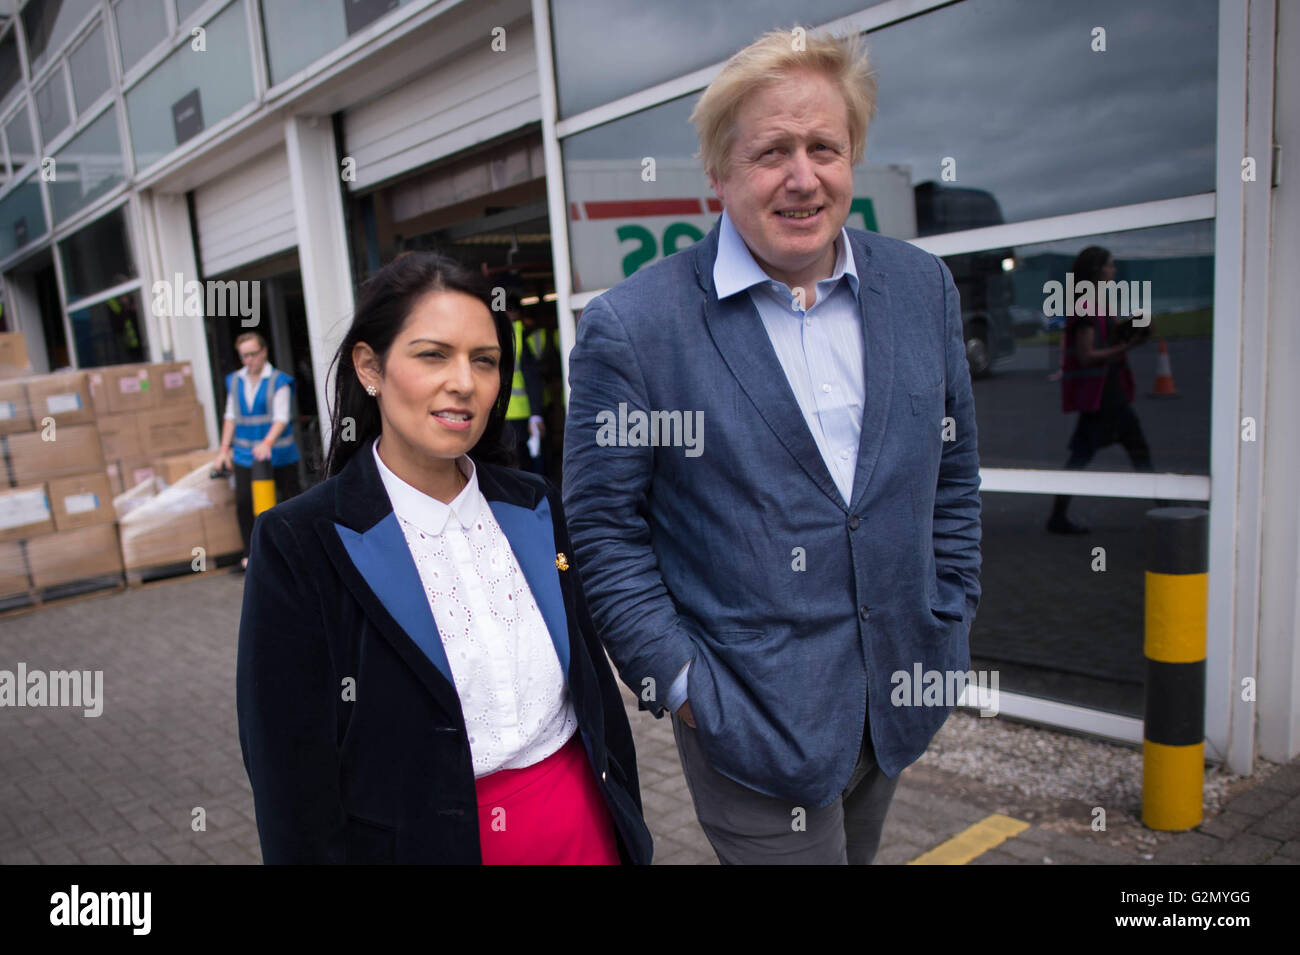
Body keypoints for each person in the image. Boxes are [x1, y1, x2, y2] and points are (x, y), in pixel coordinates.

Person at [562, 28, 981, 864]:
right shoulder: (635, 328)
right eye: (771, 151)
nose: (802, 177)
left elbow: (954, 473)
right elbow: (605, 527)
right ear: (718, 175)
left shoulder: (919, 287)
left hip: (895, 695)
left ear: (852, 155)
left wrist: (953, 609)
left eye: (823, 146)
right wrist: (681, 686)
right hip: (746, 722)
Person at [236, 252, 652, 864]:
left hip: (584, 830)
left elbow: (592, 688)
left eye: (483, 360)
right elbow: (291, 779)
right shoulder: (300, 542)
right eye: (433, 355)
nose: (464, 382)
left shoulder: (534, 503)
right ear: (370, 367)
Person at [1047, 246, 1154, 534]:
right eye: (1110, 265)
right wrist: (1128, 346)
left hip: (1106, 392)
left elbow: (1105, 336)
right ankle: (1163, 510)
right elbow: (1086, 354)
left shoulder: (1094, 302)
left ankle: (1057, 516)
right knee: (1135, 449)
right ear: (1097, 270)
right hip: (1104, 395)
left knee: (1088, 455)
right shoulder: (1087, 305)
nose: (1113, 270)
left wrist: (1129, 327)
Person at [216, 332, 301, 571]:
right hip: (245, 456)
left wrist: (268, 442)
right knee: (244, 504)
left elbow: (281, 418)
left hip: (280, 455)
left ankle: (296, 554)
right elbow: (230, 417)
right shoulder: (235, 381)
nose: (249, 360)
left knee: (289, 504)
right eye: (244, 356)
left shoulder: (278, 381)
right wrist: (224, 450)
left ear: (264, 352)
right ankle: (251, 557)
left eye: (253, 354)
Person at [503, 296, 546, 475]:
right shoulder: (520, 335)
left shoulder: (495, 334)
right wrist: (536, 415)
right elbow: (533, 377)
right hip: (519, 414)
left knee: (513, 465)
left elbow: (532, 378)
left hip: (506, 416)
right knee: (527, 464)